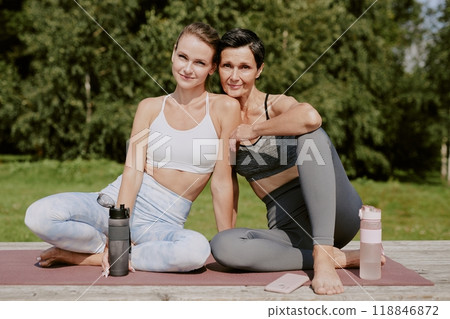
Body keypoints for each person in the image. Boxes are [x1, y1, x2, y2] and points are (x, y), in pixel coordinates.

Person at [25, 22, 240, 275]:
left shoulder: (224, 108)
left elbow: (223, 182)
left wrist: (228, 245)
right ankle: (112, 250)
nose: (187, 68)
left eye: (200, 63)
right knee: (38, 215)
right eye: (182, 57)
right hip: (114, 205)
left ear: (212, 68)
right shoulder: (148, 107)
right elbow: (133, 171)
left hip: (161, 223)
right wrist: (120, 232)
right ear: (173, 53)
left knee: (195, 251)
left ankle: (84, 257)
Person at [210, 28, 383, 295]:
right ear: (217, 68)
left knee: (310, 137)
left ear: (259, 70)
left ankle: (324, 252)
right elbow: (226, 186)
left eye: (244, 67)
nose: (234, 76)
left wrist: (255, 130)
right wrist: (233, 246)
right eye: (227, 66)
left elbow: (311, 117)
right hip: (291, 230)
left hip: (336, 213)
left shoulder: (275, 104)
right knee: (222, 245)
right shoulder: (221, 118)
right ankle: (334, 257)